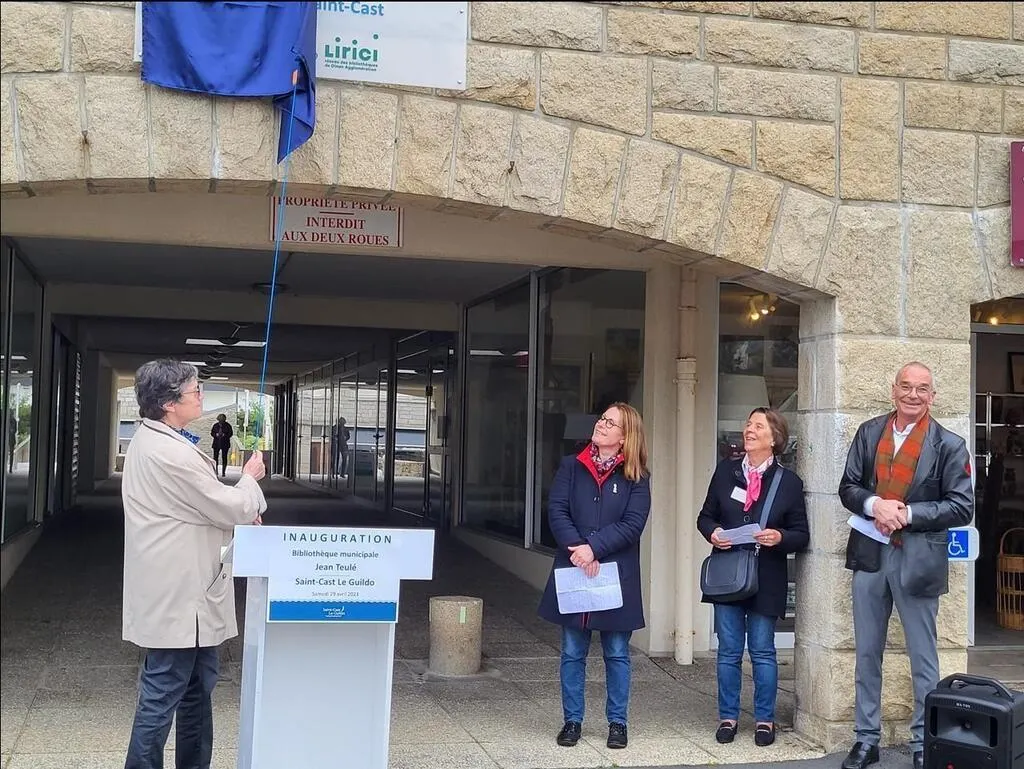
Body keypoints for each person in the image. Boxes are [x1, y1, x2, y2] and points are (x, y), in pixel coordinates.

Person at [122, 360, 268, 769]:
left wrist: (237, 506)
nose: (201, 395)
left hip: (189, 594)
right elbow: (228, 506)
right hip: (179, 596)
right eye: (195, 390)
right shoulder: (168, 452)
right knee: (164, 691)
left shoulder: (159, 442)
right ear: (169, 403)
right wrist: (251, 480)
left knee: (194, 691)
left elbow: (204, 505)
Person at [838, 362, 973, 769]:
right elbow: (848, 487)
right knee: (867, 653)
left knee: (923, 657)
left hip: (918, 559)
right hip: (870, 554)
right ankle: (866, 740)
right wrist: (874, 504)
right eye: (906, 387)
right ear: (893, 390)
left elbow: (962, 506)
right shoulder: (869, 433)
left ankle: (923, 742)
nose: (914, 395)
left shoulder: (949, 444)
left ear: (933, 396)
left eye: (923, 389)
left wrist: (908, 513)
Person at [537, 402, 651, 751]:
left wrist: (594, 549)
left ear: (625, 436)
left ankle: (618, 723)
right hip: (575, 567)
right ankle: (573, 721)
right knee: (572, 651)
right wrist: (577, 547)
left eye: (610, 422)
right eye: (602, 419)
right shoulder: (572, 466)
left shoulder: (638, 477)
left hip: (615, 576)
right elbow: (556, 509)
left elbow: (633, 525)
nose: (601, 425)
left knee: (616, 652)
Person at [696, 408, 809, 748]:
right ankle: (728, 716)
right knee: (728, 651)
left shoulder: (788, 483)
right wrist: (713, 532)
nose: (749, 430)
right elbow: (705, 517)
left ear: (774, 439)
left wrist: (779, 537)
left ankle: (764, 719)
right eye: (747, 424)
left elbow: (801, 533)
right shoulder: (725, 472)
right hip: (728, 574)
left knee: (762, 651)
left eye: (758, 426)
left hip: (766, 576)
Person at [210, 413, 233, 477]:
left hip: (225, 443)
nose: (221, 421)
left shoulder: (228, 426)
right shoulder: (215, 425)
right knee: (215, 458)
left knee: (224, 457)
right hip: (216, 443)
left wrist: (224, 435)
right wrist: (216, 435)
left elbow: (230, 434)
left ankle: (223, 472)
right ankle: (215, 471)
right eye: (220, 420)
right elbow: (212, 433)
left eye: (222, 420)